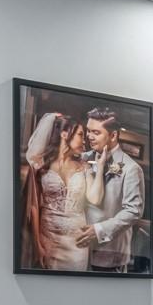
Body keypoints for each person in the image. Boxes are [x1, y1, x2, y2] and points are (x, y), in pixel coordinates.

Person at [77, 107, 146, 274]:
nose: (89, 136)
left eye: (96, 132)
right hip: (76, 249)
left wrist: (99, 230)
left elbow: (133, 211)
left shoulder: (131, 168)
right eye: (88, 131)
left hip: (108, 254)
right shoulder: (82, 159)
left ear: (113, 135)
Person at [20, 111, 91, 271]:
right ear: (65, 134)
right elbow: (34, 206)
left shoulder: (85, 167)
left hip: (77, 244)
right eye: (80, 134)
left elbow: (94, 202)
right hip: (49, 239)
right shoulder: (40, 166)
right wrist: (38, 244)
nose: (84, 140)